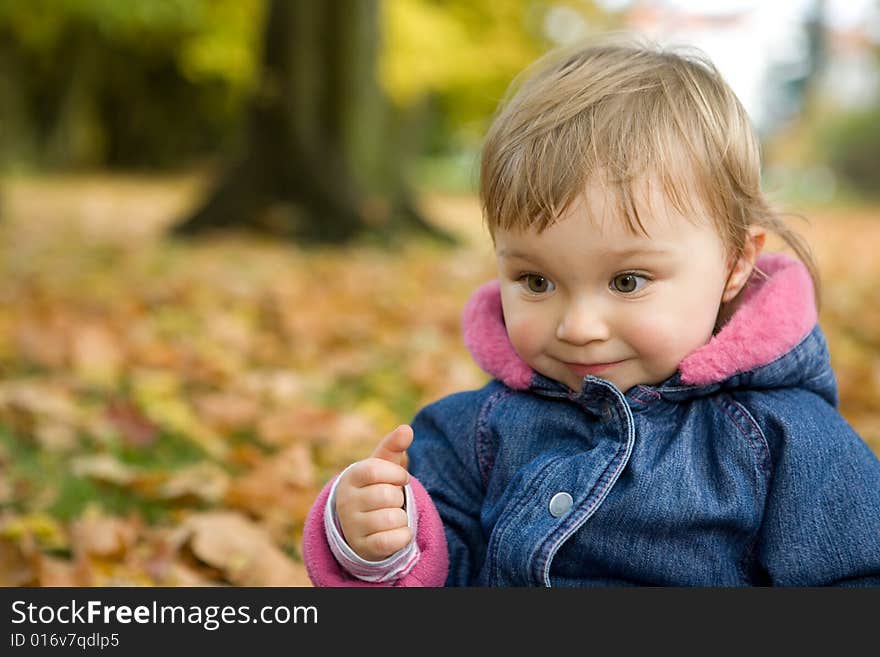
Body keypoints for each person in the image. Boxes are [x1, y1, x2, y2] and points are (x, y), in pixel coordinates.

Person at [301, 38, 880, 586]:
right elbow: (435, 565)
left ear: (733, 264)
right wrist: (375, 540)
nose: (577, 328)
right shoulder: (475, 431)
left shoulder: (787, 441)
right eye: (536, 280)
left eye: (627, 281)